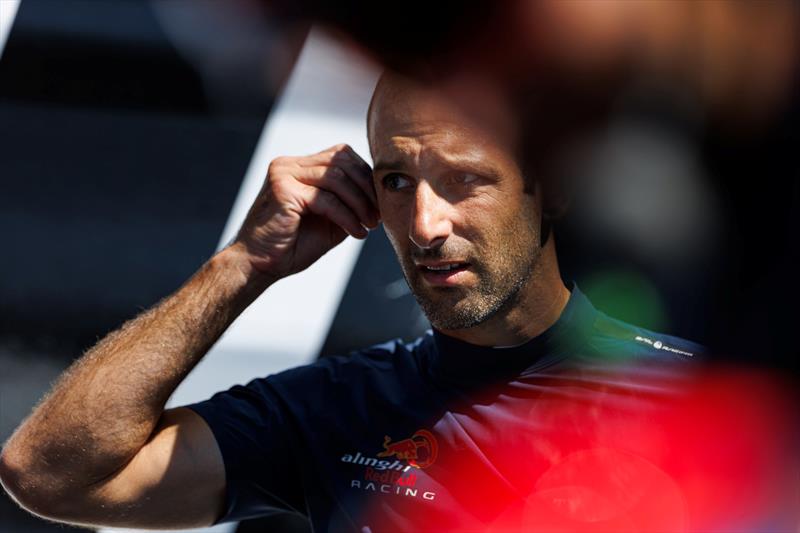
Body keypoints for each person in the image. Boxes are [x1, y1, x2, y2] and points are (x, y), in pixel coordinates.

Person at [0, 72, 702, 532]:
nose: (425, 224)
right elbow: (50, 474)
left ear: (552, 185)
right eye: (396, 181)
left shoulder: (704, 395)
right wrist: (241, 265)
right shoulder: (341, 409)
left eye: (463, 178)